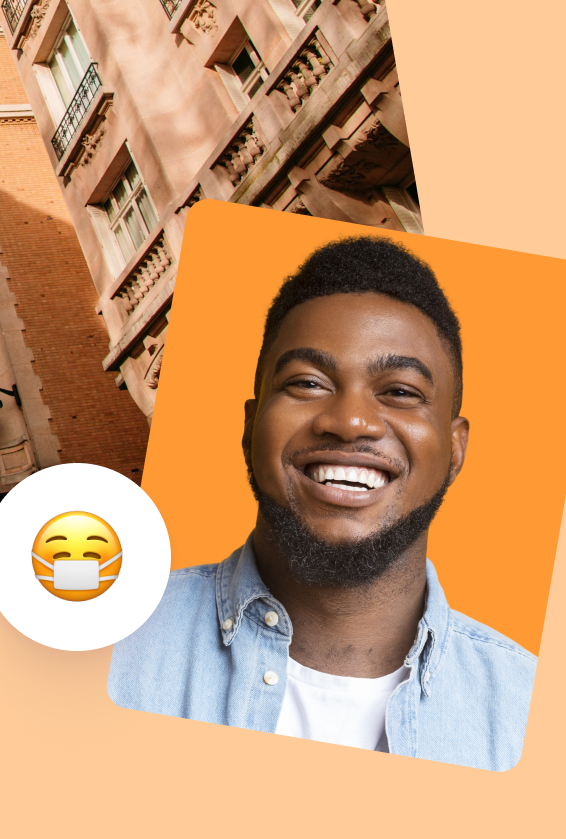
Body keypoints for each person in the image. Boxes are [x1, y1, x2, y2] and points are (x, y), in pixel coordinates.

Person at [107, 236, 534, 770]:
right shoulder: (105, 637)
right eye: (308, 383)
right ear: (250, 428)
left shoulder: (531, 710)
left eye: (401, 391)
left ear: (455, 449)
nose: (350, 421)